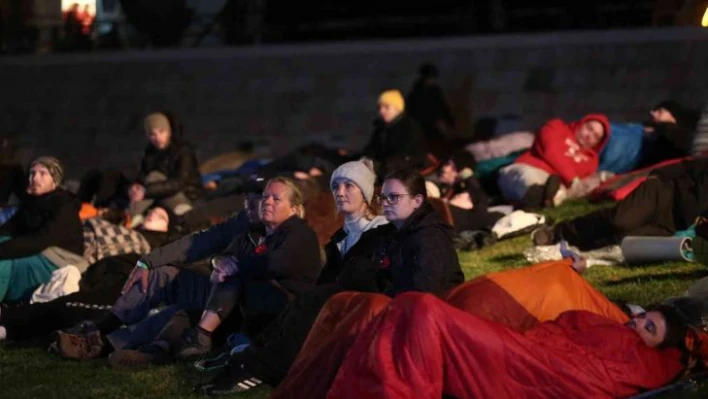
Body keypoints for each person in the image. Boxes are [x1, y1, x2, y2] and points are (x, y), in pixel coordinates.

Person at [199, 169, 463, 395]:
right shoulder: (393, 232)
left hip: (418, 320)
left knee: (321, 301)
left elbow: (420, 294)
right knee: (318, 299)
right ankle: (251, 359)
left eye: (394, 197)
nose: (387, 203)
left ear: (417, 200)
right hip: (388, 304)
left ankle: (259, 367)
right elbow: (361, 269)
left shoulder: (428, 240)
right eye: (384, 197)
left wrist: (373, 285)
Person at [54, 177, 321, 363]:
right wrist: (148, 260)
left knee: (178, 313)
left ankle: (126, 347)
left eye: (266, 198)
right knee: (160, 274)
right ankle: (102, 332)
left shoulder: (295, 236)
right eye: (252, 200)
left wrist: (229, 266)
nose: (258, 205)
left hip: (250, 308)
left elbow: (277, 269)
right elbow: (198, 243)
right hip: (224, 296)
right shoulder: (244, 225)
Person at [190, 160, 393, 392]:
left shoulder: (380, 229)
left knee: (293, 301)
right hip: (334, 306)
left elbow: (371, 279)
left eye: (349, 186)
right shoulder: (340, 238)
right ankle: (243, 358)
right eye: (336, 186)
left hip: (365, 310)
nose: (340, 192)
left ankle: (252, 366)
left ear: (366, 193)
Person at [327, 293, 702, 399]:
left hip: (528, 369)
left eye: (648, 328)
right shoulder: (611, 326)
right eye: (642, 317)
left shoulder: (649, 362)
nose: (637, 324)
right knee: (397, 309)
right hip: (524, 351)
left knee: (422, 310)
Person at [0, 207, 176, 344]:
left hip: (129, 279)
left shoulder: (156, 244)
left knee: (75, 306)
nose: (152, 215)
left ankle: (10, 324)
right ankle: (11, 321)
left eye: (160, 217)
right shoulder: (130, 228)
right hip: (107, 270)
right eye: (151, 211)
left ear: (167, 227)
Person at [532, 156, 708, 250]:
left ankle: (570, 247)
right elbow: (688, 166)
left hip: (676, 223)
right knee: (621, 220)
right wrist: (658, 175)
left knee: (623, 241)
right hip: (664, 194)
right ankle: (557, 233)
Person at [0, 157, 84, 303]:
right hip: (38, 248)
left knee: (5, 261)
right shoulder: (31, 202)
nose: (35, 178)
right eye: (32, 173)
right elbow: (10, 228)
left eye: (42, 173)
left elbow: (42, 239)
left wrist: (3, 249)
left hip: (60, 257)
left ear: (55, 181)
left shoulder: (64, 205)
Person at [497, 114, 610, 208]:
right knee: (528, 178)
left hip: (558, 187)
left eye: (596, 136)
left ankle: (544, 199)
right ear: (582, 123)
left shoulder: (592, 161)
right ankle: (542, 198)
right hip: (530, 169)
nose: (589, 136)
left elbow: (581, 187)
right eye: (589, 129)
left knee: (567, 189)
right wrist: (572, 178)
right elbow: (551, 150)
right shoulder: (556, 127)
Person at [129, 111, 203, 218]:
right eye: (152, 134)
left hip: (186, 195)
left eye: (161, 132)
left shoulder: (183, 151)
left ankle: (131, 215)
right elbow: (143, 175)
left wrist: (146, 191)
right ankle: (132, 215)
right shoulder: (150, 152)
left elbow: (179, 182)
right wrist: (136, 187)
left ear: (169, 132)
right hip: (160, 194)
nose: (157, 138)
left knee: (155, 176)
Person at [361, 90, 427, 179]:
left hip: (406, 171)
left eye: (386, 107)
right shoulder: (381, 128)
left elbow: (403, 155)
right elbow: (371, 149)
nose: (381, 111)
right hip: (385, 168)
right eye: (379, 107)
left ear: (397, 108)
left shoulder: (409, 127)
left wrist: (376, 166)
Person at [437, 150, 504, 233]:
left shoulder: (465, 191)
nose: (444, 169)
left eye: (452, 167)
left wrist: (468, 178)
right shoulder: (440, 188)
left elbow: (480, 205)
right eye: (446, 164)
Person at [406, 63, 455, 146]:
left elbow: (442, 107)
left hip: (430, 128)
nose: (432, 80)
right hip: (424, 128)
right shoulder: (417, 93)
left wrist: (449, 122)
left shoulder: (433, 91)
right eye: (431, 77)